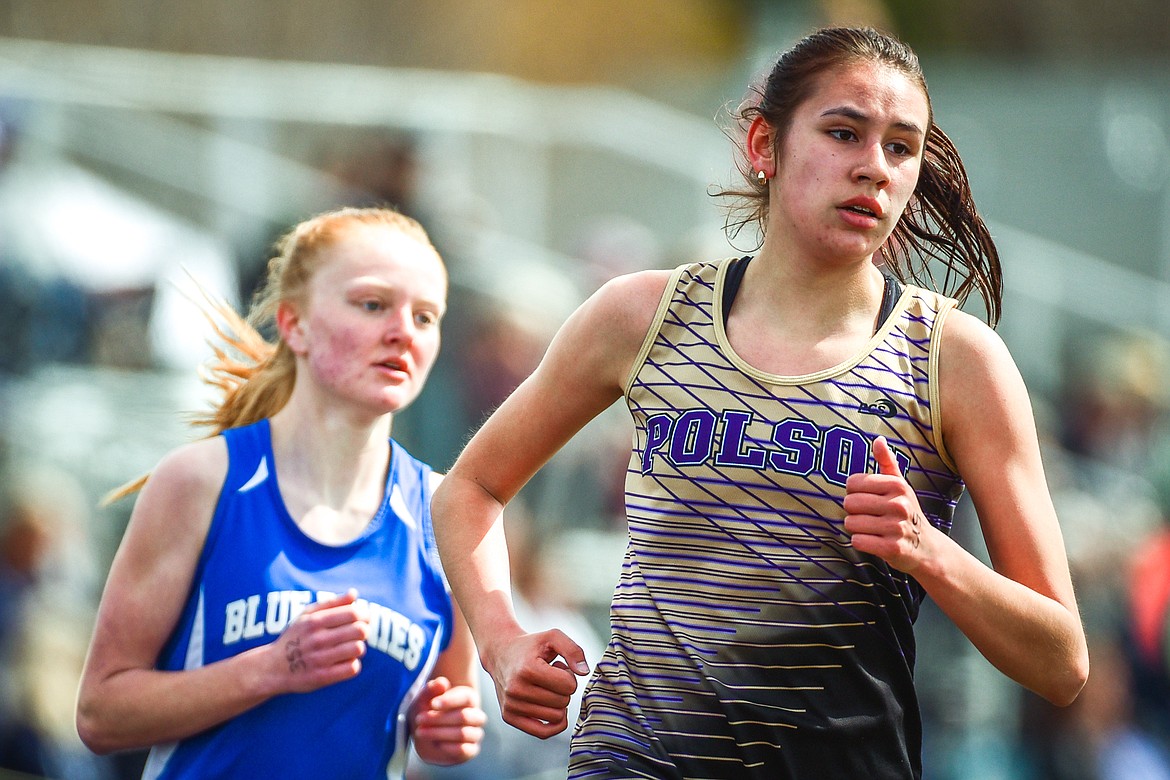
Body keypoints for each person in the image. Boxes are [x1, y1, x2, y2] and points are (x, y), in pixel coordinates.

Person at [430, 25, 1089, 779]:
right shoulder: (643, 316)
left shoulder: (955, 359)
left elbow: (1062, 662)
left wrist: (928, 551)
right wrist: (501, 639)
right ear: (764, 147)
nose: (873, 167)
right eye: (844, 132)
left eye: (901, 147)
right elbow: (470, 490)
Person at [75, 207, 486, 779]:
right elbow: (101, 714)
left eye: (425, 316)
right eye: (372, 304)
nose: (401, 332)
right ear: (294, 324)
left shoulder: (449, 514)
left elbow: (444, 717)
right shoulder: (202, 481)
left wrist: (446, 732)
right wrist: (270, 669)